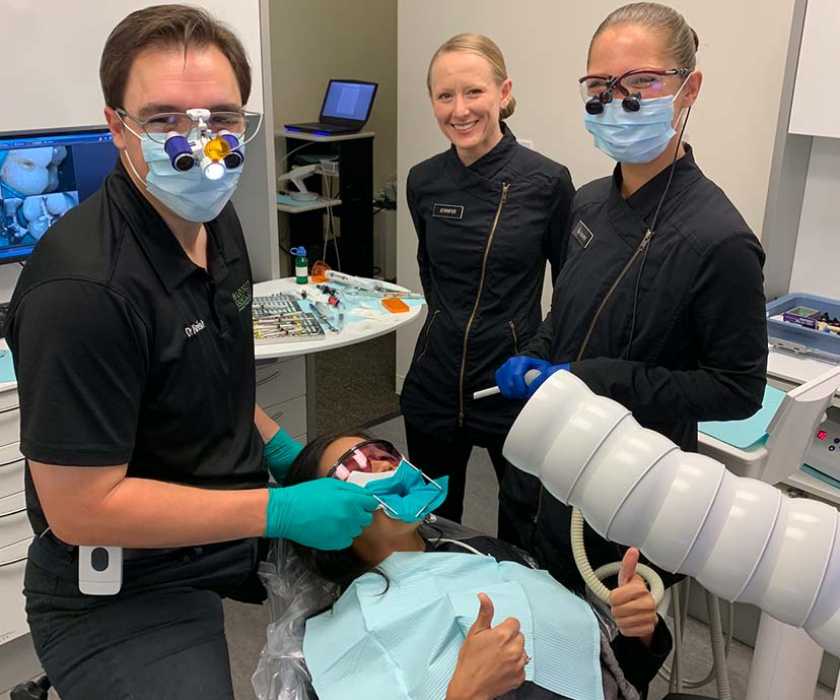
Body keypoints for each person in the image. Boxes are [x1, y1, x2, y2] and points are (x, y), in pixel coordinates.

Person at [7, 7, 377, 699]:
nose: (200, 146)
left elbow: (217, 382)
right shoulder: (84, 292)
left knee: (406, 572)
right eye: (165, 120)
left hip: (222, 520)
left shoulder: (214, 218)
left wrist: (291, 457)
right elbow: (82, 510)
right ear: (117, 127)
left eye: (221, 119)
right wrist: (281, 510)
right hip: (121, 582)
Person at [496, 0, 767, 641]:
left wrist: (601, 378)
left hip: (634, 490)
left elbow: (736, 388)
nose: (617, 101)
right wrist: (536, 350)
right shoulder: (588, 202)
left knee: (609, 656)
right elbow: (564, 313)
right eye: (600, 87)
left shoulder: (719, 239)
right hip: (550, 462)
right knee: (536, 639)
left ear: (689, 88)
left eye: (640, 83)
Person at [281, 432, 673, 699]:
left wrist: (640, 634)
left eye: (383, 453)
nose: (383, 466)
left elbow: (612, 675)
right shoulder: (344, 638)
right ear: (323, 520)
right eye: (356, 466)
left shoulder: (483, 553)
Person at [400, 33, 575, 537]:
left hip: (512, 382)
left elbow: (567, 294)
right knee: (430, 527)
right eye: (444, 96)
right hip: (434, 382)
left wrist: (545, 365)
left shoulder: (547, 183)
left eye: (473, 92)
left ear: (503, 92)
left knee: (525, 530)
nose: (460, 110)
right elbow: (432, 277)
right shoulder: (423, 181)